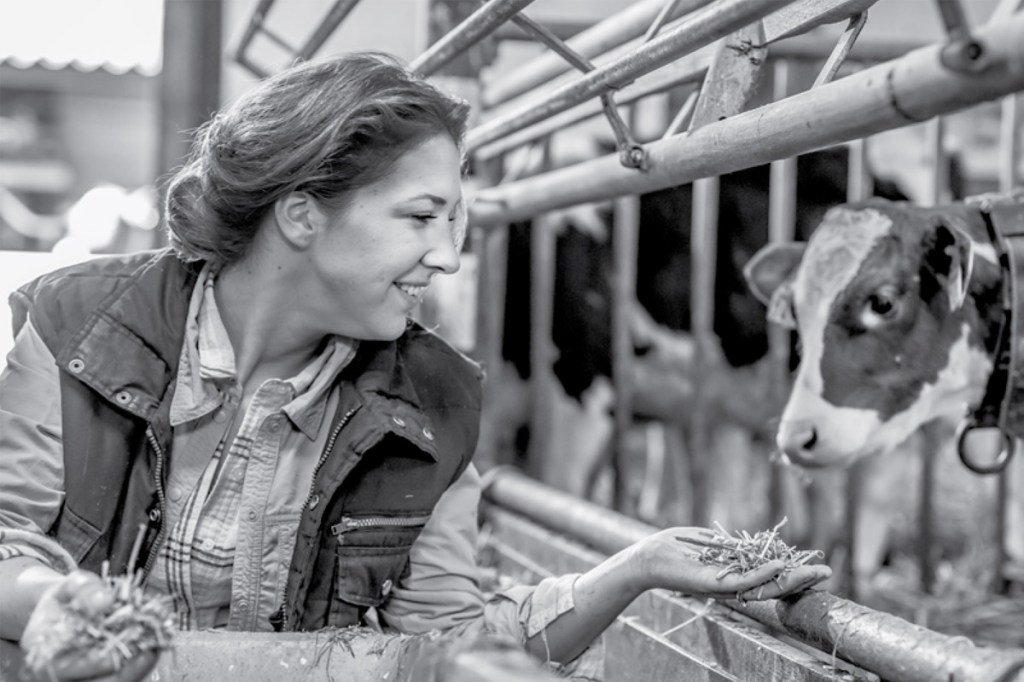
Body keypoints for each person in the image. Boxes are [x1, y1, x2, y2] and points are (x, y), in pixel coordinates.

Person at [0, 51, 831, 681]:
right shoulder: (75, 325)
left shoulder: (437, 399)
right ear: (301, 214)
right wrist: (54, 606)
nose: (448, 259)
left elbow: (447, 646)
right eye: (422, 217)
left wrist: (634, 569)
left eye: (457, 223)